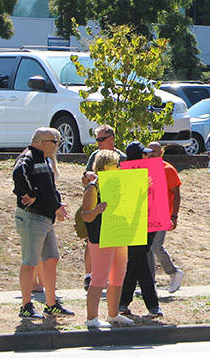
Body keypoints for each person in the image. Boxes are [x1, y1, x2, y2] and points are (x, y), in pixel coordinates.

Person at [12, 127, 72, 319]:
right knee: (29, 262)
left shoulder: (44, 159)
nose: (57, 146)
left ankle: (51, 303)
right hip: (32, 217)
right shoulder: (28, 158)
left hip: (46, 218)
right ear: (41, 142)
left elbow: (49, 187)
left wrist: (56, 204)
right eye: (54, 142)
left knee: (52, 258)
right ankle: (26, 305)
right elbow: (19, 175)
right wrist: (32, 195)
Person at [80, 150, 132, 329]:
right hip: (101, 236)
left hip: (118, 233)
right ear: (105, 167)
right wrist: (96, 211)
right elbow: (85, 216)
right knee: (100, 278)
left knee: (118, 276)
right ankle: (92, 318)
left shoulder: (119, 184)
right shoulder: (93, 187)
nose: (119, 167)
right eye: (116, 165)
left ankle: (113, 314)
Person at [118, 142, 163, 320]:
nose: (147, 157)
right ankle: (153, 305)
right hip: (133, 225)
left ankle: (122, 301)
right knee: (141, 263)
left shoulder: (150, 172)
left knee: (135, 263)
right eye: (144, 154)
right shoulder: (124, 175)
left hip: (150, 223)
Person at [143, 141, 184, 293]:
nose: (151, 155)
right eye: (149, 152)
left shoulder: (168, 169)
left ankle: (174, 272)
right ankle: (149, 282)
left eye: (154, 152)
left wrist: (174, 216)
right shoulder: (144, 168)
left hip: (163, 214)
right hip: (147, 214)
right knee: (147, 248)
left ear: (161, 153)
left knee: (155, 246)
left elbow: (177, 194)